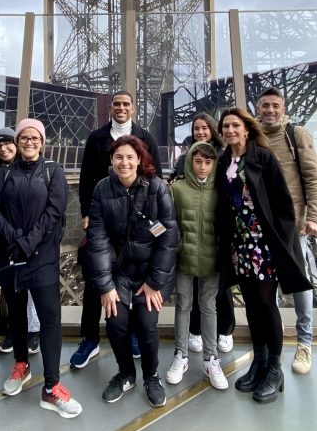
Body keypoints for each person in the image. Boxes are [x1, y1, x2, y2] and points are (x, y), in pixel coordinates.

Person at [0, 118, 82, 418]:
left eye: (34, 138)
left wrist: (27, 242)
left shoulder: (53, 172)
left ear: (42, 142)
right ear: (17, 142)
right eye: (24, 138)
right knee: (16, 315)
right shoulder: (3, 173)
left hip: (42, 257)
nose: (29, 142)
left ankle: (52, 386)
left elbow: (55, 211)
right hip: (12, 254)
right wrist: (15, 240)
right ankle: (20, 365)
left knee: (50, 319)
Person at [216, 107, 312, 404]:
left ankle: (274, 369)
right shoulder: (225, 161)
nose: (230, 130)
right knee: (251, 305)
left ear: (246, 129)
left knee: (266, 304)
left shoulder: (263, 157)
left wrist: (280, 242)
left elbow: (283, 204)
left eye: (235, 125)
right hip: (240, 244)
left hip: (263, 243)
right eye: (226, 126)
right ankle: (258, 362)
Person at [71, 91, 162, 370]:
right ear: (110, 108)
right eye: (117, 104)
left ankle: (133, 334)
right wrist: (87, 214)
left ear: (133, 109)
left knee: (133, 276)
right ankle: (90, 338)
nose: (121, 108)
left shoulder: (146, 138)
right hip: (102, 218)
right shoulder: (96, 138)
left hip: (135, 221)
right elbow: (86, 178)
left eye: (126, 104)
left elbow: (154, 176)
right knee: (95, 279)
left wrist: (151, 219)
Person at [86, 135, 177, 407]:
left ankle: (151, 376)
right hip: (119, 272)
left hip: (150, 271)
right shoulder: (103, 189)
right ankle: (126, 373)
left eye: (129, 157)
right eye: (118, 157)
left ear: (139, 159)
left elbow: (168, 239)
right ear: (112, 161)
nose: (123, 162)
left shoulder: (157, 189)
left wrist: (155, 282)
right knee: (115, 323)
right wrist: (106, 286)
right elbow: (98, 239)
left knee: (147, 325)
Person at [254, 87, 317, 375]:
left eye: (275, 106)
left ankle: (305, 343)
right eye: (265, 106)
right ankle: (275, 341)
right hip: (260, 226)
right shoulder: (253, 137)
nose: (270, 110)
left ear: (282, 108)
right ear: (257, 108)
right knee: (267, 285)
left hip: (293, 225)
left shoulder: (297, 135)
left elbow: (314, 178)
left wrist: (315, 217)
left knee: (299, 284)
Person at [169, 112, 235, 355]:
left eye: (204, 128)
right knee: (191, 299)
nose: (200, 132)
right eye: (196, 128)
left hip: (212, 247)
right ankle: (192, 335)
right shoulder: (184, 166)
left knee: (217, 295)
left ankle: (224, 332)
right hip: (188, 245)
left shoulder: (223, 160)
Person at [167, 141, 228, 390]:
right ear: (190, 161)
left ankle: (211, 358)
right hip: (184, 258)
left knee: (209, 306)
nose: (203, 167)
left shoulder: (221, 190)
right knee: (183, 304)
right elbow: (169, 225)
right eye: (198, 161)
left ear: (214, 164)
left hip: (212, 259)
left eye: (208, 162)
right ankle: (180, 355)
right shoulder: (177, 189)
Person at [0, 127, 41, 357]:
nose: (4, 148)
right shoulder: (1, 171)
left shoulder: (41, 169)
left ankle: (32, 331)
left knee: (33, 288)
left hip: (35, 240)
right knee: (13, 289)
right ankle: (18, 331)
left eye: (7, 143)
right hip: (8, 240)